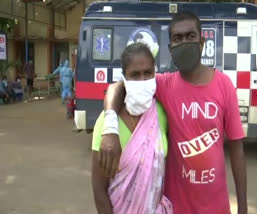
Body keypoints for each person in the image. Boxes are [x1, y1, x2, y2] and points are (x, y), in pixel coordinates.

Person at [99, 11, 247, 214]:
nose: (185, 42)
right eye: (178, 38)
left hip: (216, 206)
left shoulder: (224, 86)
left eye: (190, 36)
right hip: (176, 207)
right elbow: (117, 87)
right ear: (170, 48)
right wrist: (109, 128)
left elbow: (238, 150)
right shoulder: (164, 84)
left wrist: (243, 207)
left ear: (202, 42)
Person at [91, 43, 172, 214]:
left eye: (148, 73)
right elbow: (99, 190)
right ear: (125, 78)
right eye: (135, 75)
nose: (143, 81)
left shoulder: (161, 114)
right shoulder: (106, 124)